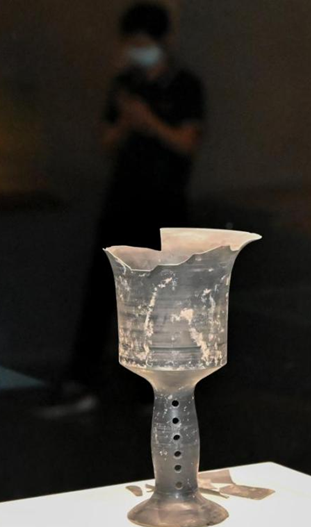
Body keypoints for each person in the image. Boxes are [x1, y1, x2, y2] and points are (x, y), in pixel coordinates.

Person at [41, 2, 205, 416]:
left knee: (161, 298)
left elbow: (187, 142)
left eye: (143, 42)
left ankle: (157, 390)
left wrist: (150, 121)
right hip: (122, 201)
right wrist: (127, 122)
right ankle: (83, 380)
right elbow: (107, 140)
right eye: (132, 42)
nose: (137, 50)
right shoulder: (124, 84)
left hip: (164, 205)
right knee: (102, 291)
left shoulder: (185, 85)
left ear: (162, 41)